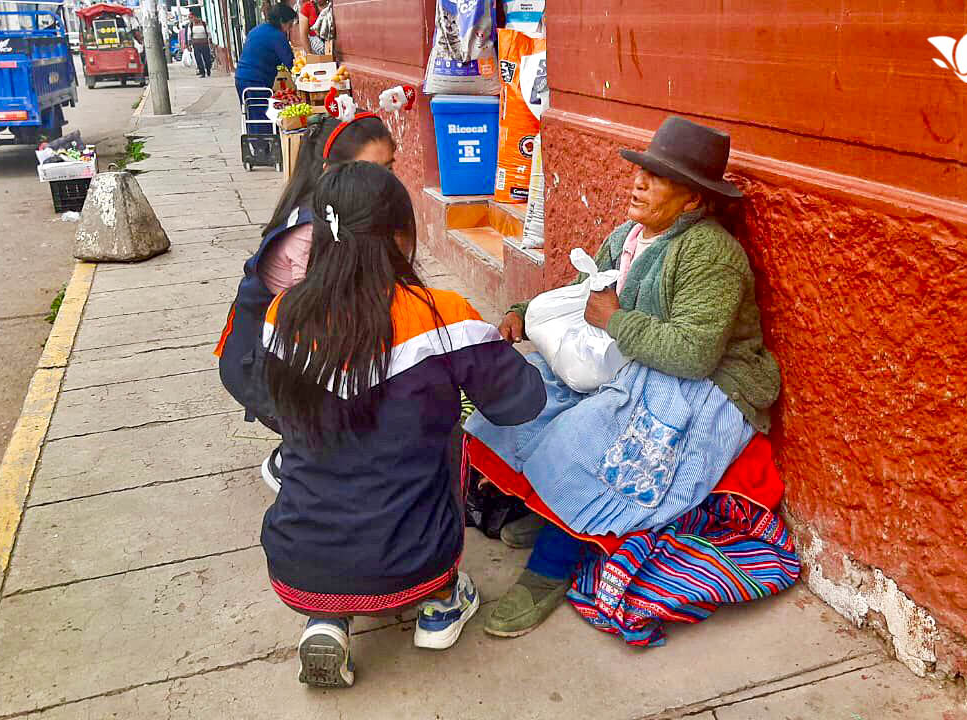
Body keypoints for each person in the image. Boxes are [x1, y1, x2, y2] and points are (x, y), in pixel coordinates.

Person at [466, 116, 783, 638]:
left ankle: (553, 563)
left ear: (693, 201)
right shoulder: (629, 236)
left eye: (657, 178)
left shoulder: (712, 254)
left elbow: (694, 353)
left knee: (590, 439)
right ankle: (557, 514)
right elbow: (581, 294)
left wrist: (613, 321)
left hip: (708, 387)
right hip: (635, 358)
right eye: (641, 170)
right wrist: (524, 313)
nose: (638, 182)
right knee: (528, 393)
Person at [260, 163, 546, 687]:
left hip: (297, 556)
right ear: (399, 235)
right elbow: (522, 403)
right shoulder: (443, 316)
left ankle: (327, 618)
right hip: (416, 557)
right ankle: (440, 602)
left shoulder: (282, 315)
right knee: (453, 436)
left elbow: (277, 410)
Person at [215, 112, 396, 491]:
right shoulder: (312, 232)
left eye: (389, 168)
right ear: (333, 171)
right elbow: (329, 319)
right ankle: (295, 458)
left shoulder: (345, 214)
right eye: (371, 170)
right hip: (263, 370)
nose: (385, 183)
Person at [234, 4, 296, 117]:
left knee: (251, 116)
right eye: (290, 24)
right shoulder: (277, 36)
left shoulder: (257, 30)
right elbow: (291, 63)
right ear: (282, 21)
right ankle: (263, 135)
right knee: (263, 117)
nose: (290, 28)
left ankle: (254, 135)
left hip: (241, 78)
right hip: (255, 81)